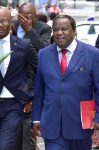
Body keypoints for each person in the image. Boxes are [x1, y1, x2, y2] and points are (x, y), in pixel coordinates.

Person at [32, 14, 99, 150]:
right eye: (56, 29)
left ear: (74, 31)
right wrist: (37, 118)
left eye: (64, 29)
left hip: (81, 126)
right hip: (52, 126)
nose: (59, 33)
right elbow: (39, 90)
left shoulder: (93, 54)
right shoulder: (43, 54)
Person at [13, 3, 51, 150]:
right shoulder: (12, 25)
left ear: (35, 16)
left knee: (28, 133)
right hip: (12, 84)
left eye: (29, 16)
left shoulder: (44, 28)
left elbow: (45, 51)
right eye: (22, 15)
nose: (25, 19)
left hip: (32, 85)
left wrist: (29, 29)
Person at [0, 6, 37, 149]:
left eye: (3, 21)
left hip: (13, 105)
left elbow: (38, 70)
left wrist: (29, 93)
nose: (0, 25)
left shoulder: (24, 45)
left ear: (11, 22)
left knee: (5, 146)